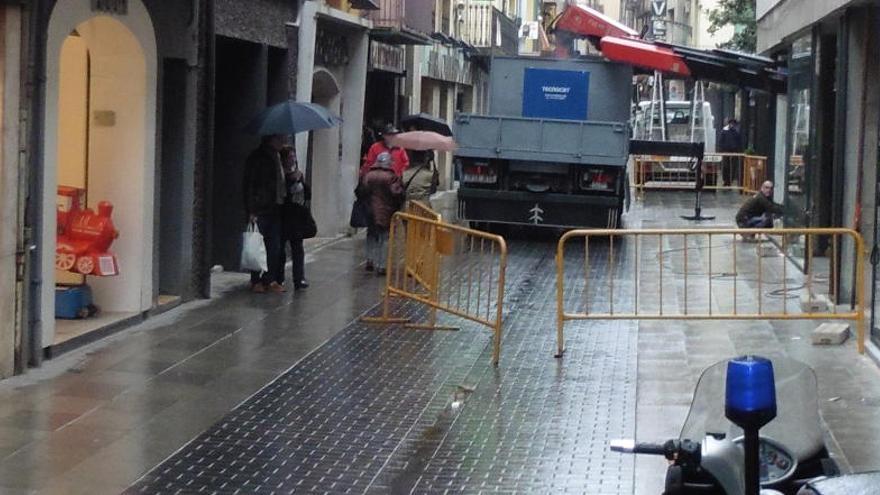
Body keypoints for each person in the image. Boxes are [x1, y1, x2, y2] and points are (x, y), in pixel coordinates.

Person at [243, 134, 286, 293]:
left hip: (276, 206)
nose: (284, 142)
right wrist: (252, 209)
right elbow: (250, 184)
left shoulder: (279, 156)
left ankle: (270, 278)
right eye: (281, 139)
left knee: (274, 246)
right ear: (271, 140)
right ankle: (256, 280)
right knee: (256, 244)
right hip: (261, 207)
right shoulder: (258, 158)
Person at [362, 151, 404, 275]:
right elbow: (396, 193)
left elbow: (362, 190)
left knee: (371, 235)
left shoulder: (369, 175)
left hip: (370, 210)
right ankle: (382, 265)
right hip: (386, 210)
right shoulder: (391, 177)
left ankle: (370, 259)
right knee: (384, 237)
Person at [279, 145, 311, 290]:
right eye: (290, 157)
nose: (292, 159)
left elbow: (307, 193)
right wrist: (291, 179)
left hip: (297, 215)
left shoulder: (298, 174)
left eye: (293, 157)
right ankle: (279, 277)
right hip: (284, 214)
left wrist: (300, 180)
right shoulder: (281, 175)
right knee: (281, 248)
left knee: (298, 248)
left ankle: (299, 278)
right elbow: (282, 192)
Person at [718, 118, 743, 187]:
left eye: (733, 124)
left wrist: (738, 151)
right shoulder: (724, 131)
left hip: (734, 151)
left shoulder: (736, 132)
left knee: (733, 167)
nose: (732, 125)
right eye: (731, 123)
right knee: (726, 166)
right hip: (726, 151)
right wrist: (721, 150)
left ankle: (730, 181)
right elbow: (721, 141)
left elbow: (739, 142)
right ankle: (726, 180)